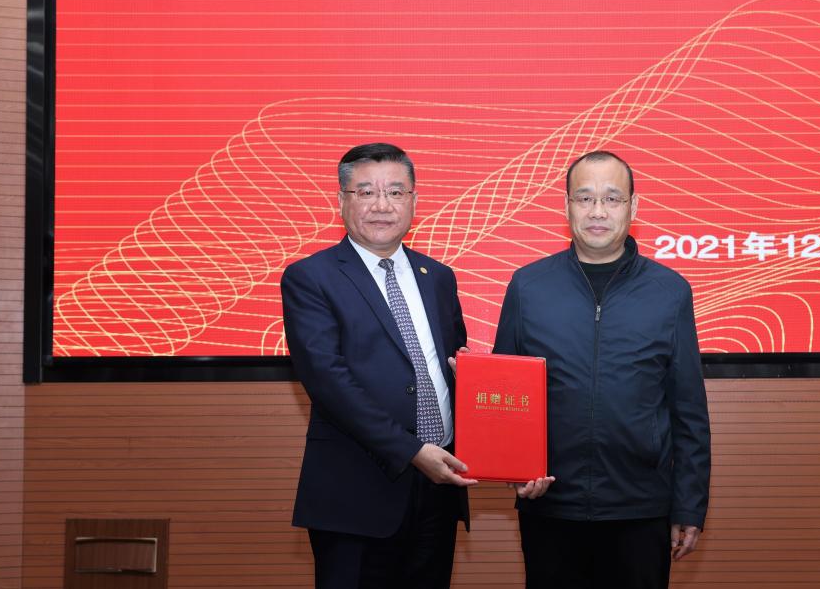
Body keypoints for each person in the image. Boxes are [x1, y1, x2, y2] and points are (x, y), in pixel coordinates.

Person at [493, 150, 711, 589]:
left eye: (612, 198)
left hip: (641, 509)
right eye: (585, 198)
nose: (597, 211)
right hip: (551, 506)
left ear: (633, 206)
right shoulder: (528, 286)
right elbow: (505, 398)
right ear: (567, 206)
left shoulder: (669, 291)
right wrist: (515, 472)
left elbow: (688, 410)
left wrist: (688, 505)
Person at [281, 142, 477, 589]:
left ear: (414, 200)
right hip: (356, 493)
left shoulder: (438, 277)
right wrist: (411, 451)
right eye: (366, 192)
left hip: (438, 487)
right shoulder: (311, 277)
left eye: (396, 192)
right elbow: (329, 382)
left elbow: (454, 368)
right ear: (342, 200)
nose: (382, 205)